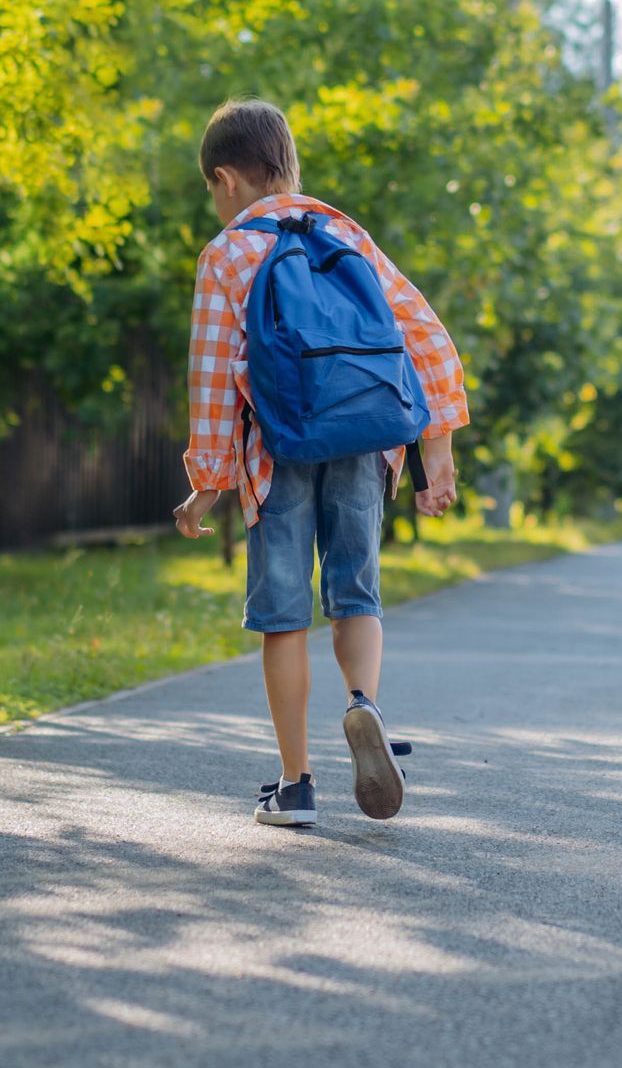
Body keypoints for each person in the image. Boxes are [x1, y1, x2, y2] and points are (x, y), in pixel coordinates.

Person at [171, 99, 469, 828]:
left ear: (225, 179)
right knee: (356, 595)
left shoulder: (228, 254)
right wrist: (439, 451)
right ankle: (363, 703)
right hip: (367, 440)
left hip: (279, 452)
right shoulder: (345, 233)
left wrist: (204, 489)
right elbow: (426, 337)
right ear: (288, 168)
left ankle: (296, 785)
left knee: (283, 617)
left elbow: (212, 383)